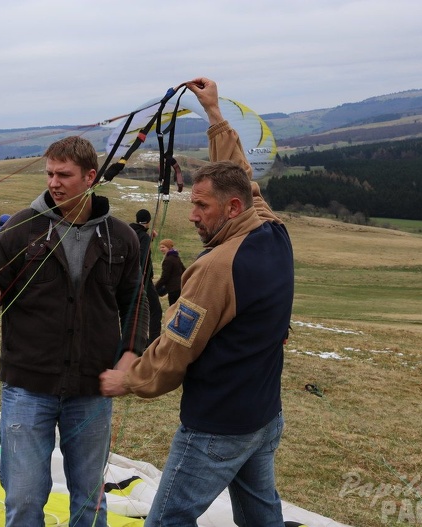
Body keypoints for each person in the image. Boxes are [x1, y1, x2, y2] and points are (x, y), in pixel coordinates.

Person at [100, 77, 295, 526]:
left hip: (217, 426)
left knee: (166, 520)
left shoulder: (215, 268)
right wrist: (213, 114)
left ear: (230, 209)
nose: (191, 215)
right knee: (261, 514)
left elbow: (175, 349)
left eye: (202, 206)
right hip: (263, 416)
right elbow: (241, 175)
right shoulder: (272, 229)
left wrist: (129, 379)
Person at [0, 135, 149, 526]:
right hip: (28, 388)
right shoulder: (21, 228)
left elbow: (136, 301)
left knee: (89, 501)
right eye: (49, 173)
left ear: (90, 177)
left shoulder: (121, 238)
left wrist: (131, 354)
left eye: (63, 174)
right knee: (25, 498)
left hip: (91, 388)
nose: (53, 182)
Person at [130, 208, 163, 344]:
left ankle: (134, 341)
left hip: (129, 279)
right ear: (148, 221)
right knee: (156, 311)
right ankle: (153, 344)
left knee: (134, 312)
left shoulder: (129, 232)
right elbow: (141, 257)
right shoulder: (144, 237)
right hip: (143, 280)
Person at [154, 238, 186, 306]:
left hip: (173, 289)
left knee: (172, 309)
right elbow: (184, 270)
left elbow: (165, 277)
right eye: (160, 247)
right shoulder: (176, 257)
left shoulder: (168, 260)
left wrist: (155, 287)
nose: (161, 249)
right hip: (179, 288)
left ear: (169, 247)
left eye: (163, 247)